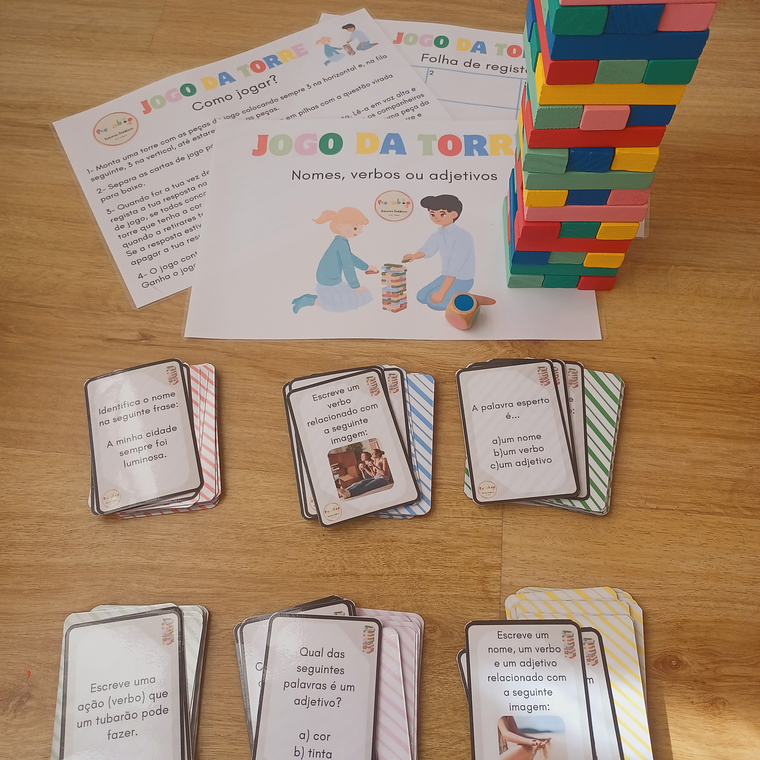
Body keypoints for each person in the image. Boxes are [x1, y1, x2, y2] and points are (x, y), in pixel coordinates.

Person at [293, 208, 379, 313]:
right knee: (343, 303)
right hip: (329, 281)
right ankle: (311, 301)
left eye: (360, 228)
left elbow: (350, 257)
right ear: (340, 227)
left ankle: (310, 299)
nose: (359, 232)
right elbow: (348, 265)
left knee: (350, 298)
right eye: (355, 228)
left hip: (328, 279)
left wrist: (366, 267)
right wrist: (355, 286)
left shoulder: (340, 242)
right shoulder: (341, 243)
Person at [402, 195, 477, 311]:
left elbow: (454, 267)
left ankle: (467, 297)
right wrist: (413, 256)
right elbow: (428, 249)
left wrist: (441, 293)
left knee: (434, 303)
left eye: (442, 214)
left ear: (454, 214)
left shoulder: (462, 236)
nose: (436, 218)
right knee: (421, 297)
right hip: (445, 277)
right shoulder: (439, 234)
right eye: (432, 214)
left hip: (463, 279)